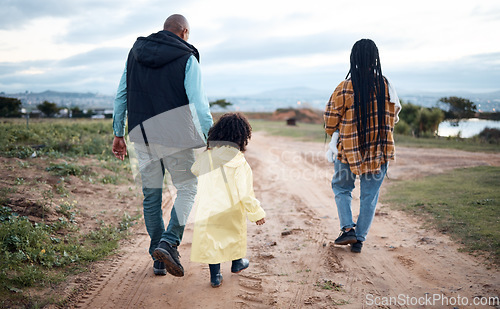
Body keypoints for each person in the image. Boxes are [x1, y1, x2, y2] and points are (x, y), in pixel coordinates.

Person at [111, 14, 213, 276]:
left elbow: (121, 94)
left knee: (152, 195)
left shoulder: (135, 53)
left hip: (142, 135)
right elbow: (199, 104)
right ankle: (168, 242)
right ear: (184, 32)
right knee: (188, 188)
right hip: (177, 135)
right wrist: (210, 136)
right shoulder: (187, 57)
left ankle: (158, 256)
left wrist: (118, 133)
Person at [324, 39, 401, 253]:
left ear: (353, 59)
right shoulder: (387, 86)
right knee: (369, 197)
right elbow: (393, 117)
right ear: (375, 59)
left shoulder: (345, 87)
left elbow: (330, 121)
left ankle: (348, 228)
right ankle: (358, 240)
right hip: (379, 152)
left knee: (341, 188)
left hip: (347, 152)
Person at [190, 113, 266, 288]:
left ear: (217, 133)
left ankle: (215, 276)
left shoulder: (208, 156)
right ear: (242, 137)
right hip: (231, 209)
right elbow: (246, 192)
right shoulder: (239, 161)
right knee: (234, 236)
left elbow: (195, 170)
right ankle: (237, 263)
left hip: (209, 208)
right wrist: (256, 213)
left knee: (212, 241)